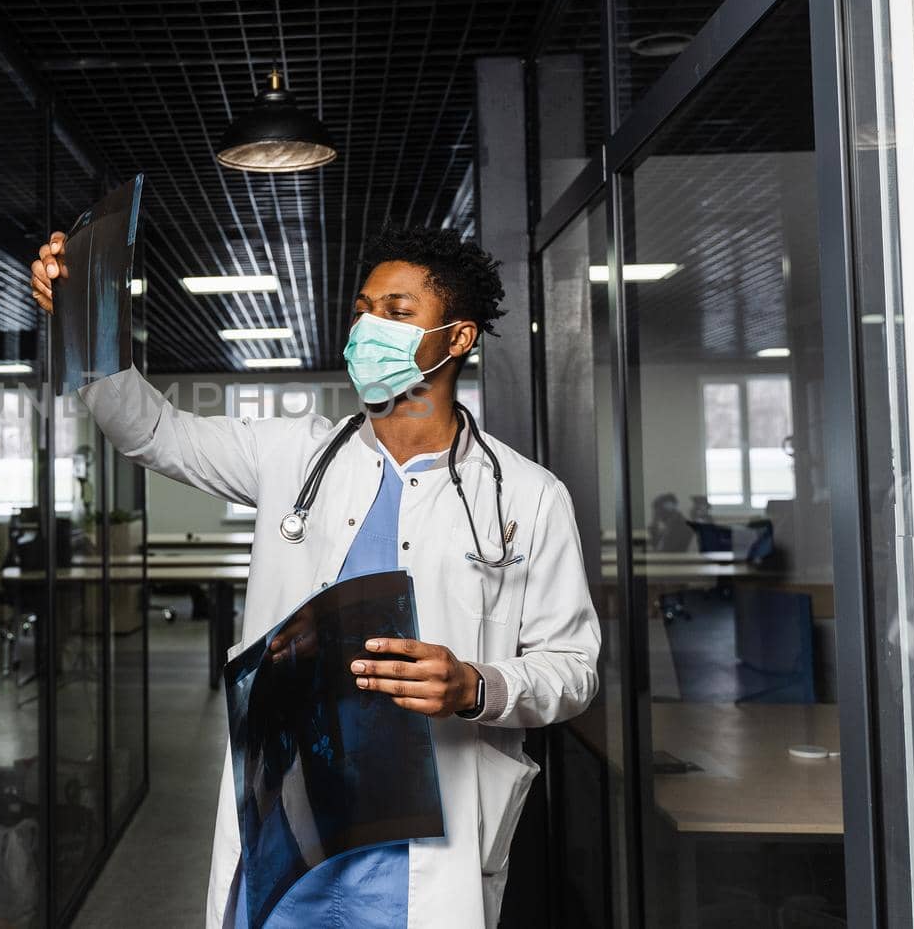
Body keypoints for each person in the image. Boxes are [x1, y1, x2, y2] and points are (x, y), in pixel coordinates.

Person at [29, 223, 600, 929]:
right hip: (289, 824)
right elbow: (151, 431)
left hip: (422, 846)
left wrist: (476, 685)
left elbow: (573, 668)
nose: (367, 328)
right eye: (363, 308)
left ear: (458, 338)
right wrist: (89, 323)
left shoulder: (528, 494)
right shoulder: (291, 453)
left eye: (397, 311)